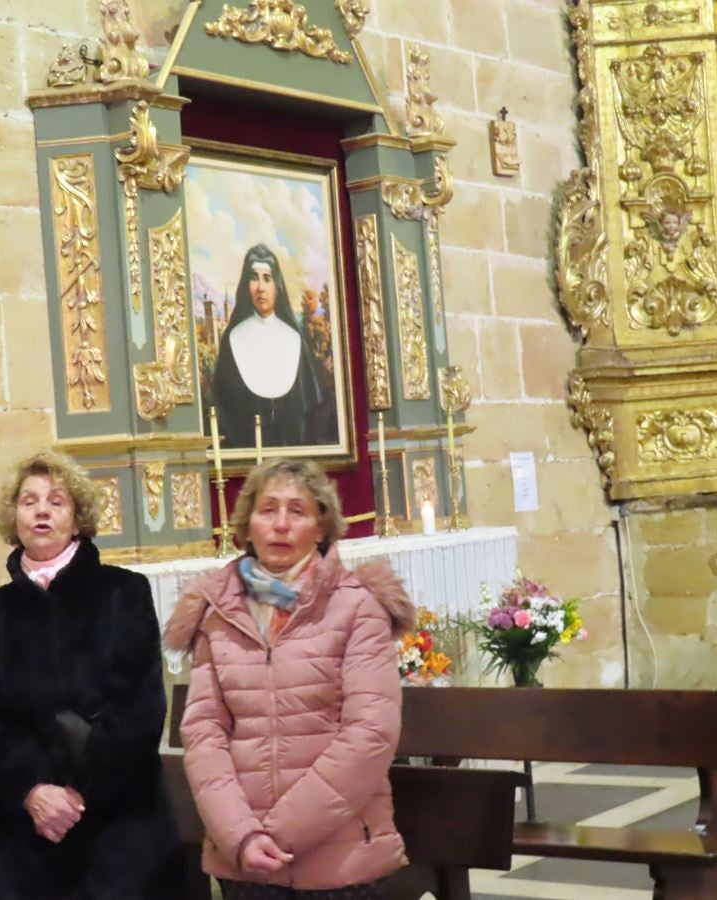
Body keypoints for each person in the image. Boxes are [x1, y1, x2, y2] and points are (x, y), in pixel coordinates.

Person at [165, 458, 413, 898]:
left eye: (297, 511)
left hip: (339, 858)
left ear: (321, 527)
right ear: (246, 526)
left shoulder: (357, 607)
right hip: (246, 860)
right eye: (268, 510)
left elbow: (371, 733)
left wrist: (278, 834)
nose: (280, 524)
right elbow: (203, 732)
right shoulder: (218, 613)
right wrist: (241, 835)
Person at [0, 450, 179, 900]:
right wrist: (32, 790)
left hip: (119, 823)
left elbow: (141, 711)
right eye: (29, 501)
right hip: (26, 831)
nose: (41, 510)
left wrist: (78, 794)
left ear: (77, 520)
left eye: (56, 501)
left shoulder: (123, 593)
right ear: (13, 517)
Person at [211, 244, 337, 449]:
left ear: (277, 285)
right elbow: (224, 411)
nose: (260, 287)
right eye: (254, 278)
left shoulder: (294, 338)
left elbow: (311, 409)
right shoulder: (233, 338)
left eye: (267, 278)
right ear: (246, 285)